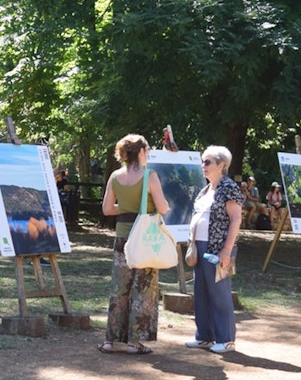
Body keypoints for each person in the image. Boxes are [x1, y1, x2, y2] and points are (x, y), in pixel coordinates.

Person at [98, 133, 170, 355]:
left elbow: (107, 209)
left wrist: (127, 208)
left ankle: (110, 340)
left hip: (122, 237)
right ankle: (134, 342)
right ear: (141, 152)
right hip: (145, 238)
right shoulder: (150, 176)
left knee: (119, 288)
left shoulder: (115, 176)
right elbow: (163, 208)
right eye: (147, 151)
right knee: (144, 289)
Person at [185, 146, 244, 354]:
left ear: (221, 165)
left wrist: (227, 250)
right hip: (200, 246)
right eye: (203, 161)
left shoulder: (229, 187)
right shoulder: (206, 189)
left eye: (208, 162)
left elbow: (236, 218)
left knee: (219, 293)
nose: (203, 166)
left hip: (219, 248)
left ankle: (226, 340)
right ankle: (205, 337)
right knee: (201, 292)